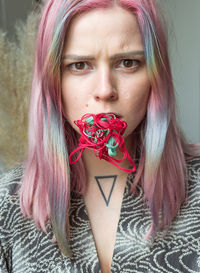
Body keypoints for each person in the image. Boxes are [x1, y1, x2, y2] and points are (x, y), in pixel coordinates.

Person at [0, 0, 200, 272]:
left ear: (156, 77)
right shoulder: (7, 202)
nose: (105, 90)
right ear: (52, 81)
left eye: (128, 63)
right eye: (80, 65)